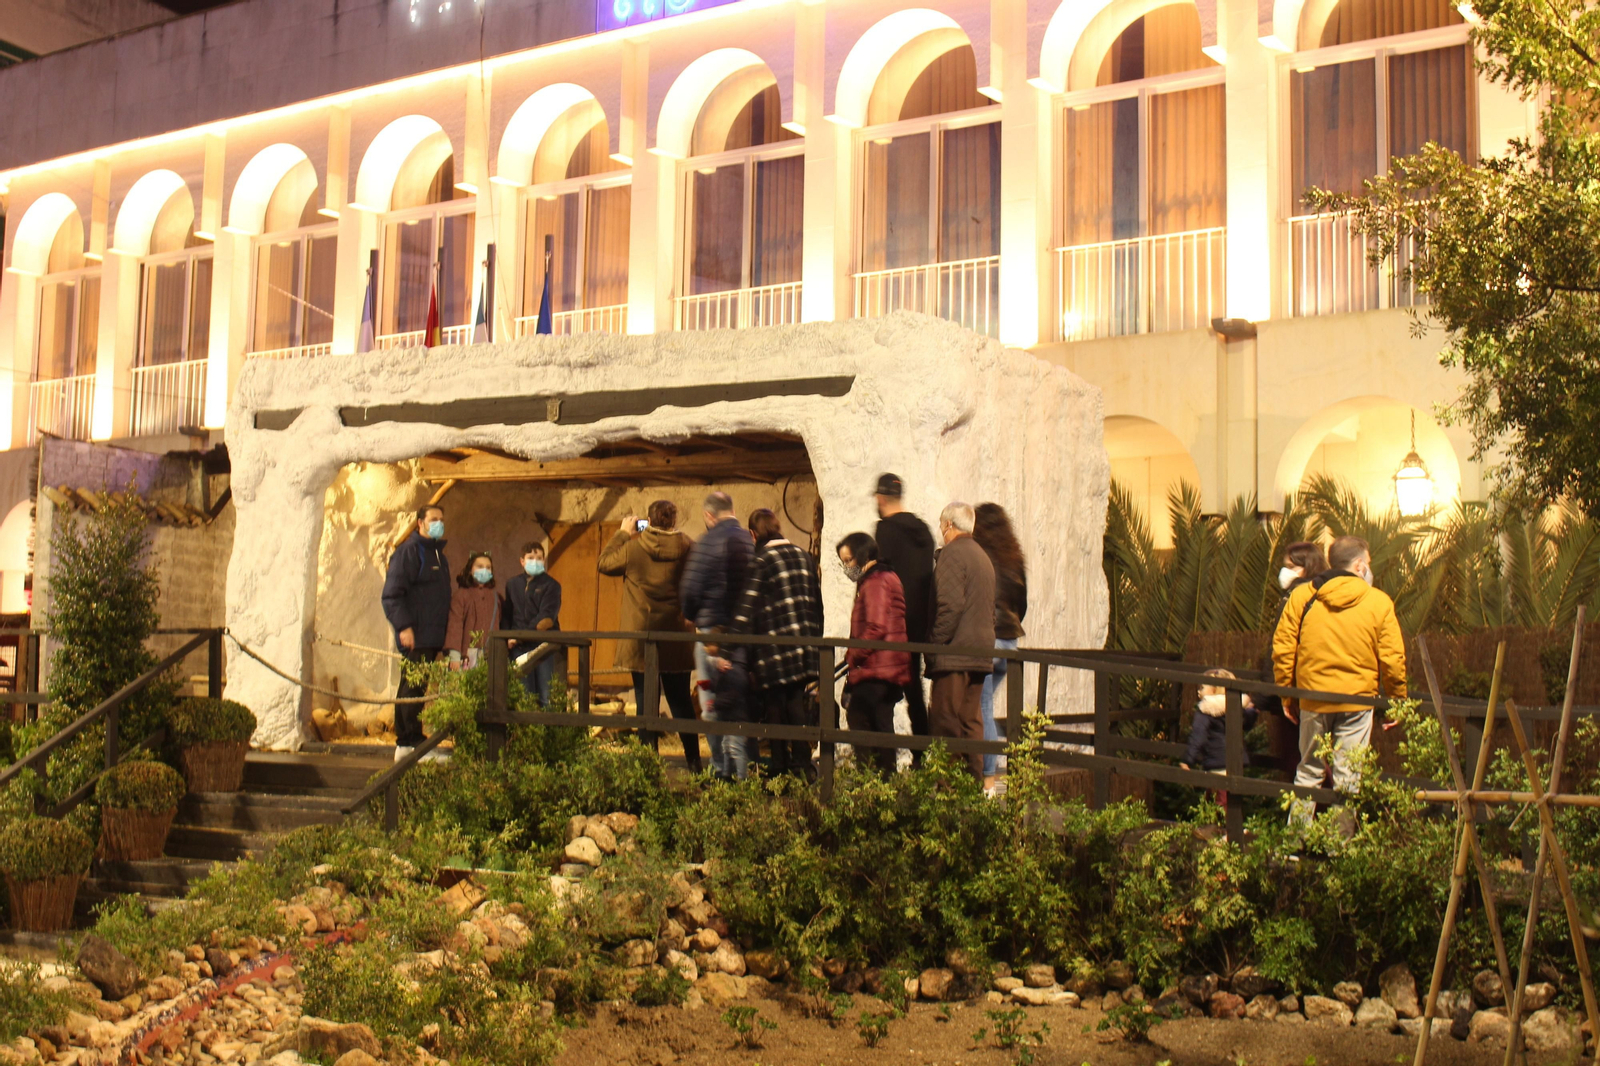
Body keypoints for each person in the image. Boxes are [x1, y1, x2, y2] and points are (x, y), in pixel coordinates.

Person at [1272, 535, 1406, 819]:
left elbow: (1283, 648)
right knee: (1349, 778)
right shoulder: (1379, 602)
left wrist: (1287, 693)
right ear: (1359, 565)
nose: (1369, 568)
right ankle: (1339, 850)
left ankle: (1294, 845)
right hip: (1357, 702)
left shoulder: (1302, 596)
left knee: (1308, 770)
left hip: (1313, 698)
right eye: (1368, 563)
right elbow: (1392, 658)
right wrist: (1397, 700)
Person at [598, 501, 702, 773]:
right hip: (676, 636)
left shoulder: (633, 548)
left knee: (646, 702)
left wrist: (622, 532)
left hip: (642, 639)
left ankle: (647, 767)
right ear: (673, 521)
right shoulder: (688, 547)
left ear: (648, 520)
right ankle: (694, 762)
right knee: (680, 701)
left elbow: (604, 563)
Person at [730, 510, 823, 779]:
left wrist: (729, 649)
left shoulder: (761, 560)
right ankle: (803, 766)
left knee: (775, 709)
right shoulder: (804, 556)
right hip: (804, 646)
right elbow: (816, 602)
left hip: (773, 650)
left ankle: (781, 767)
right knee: (796, 705)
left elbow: (747, 608)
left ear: (753, 534)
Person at [681, 491, 755, 778]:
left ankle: (721, 768)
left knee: (711, 702)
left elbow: (690, 588)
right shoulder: (749, 541)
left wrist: (692, 614)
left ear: (709, 515)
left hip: (712, 633)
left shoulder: (706, 542)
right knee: (738, 701)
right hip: (744, 634)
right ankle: (744, 768)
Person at [926, 501, 995, 781]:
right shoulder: (982, 556)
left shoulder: (952, 555)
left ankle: (949, 791)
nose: (942, 531)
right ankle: (973, 785)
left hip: (954, 653)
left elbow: (950, 606)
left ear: (949, 525)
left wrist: (933, 642)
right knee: (970, 720)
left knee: (945, 720)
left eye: (942, 526)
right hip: (980, 652)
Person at [381, 504, 451, 763]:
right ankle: (406, 743)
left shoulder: (437, 556)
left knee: (419, 689)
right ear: (420, 523)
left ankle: (414, 740)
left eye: (441, 519)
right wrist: (404, 627)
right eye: (433, 519)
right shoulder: (409, 553)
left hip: (431, 637)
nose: (439, 524)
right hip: (416, 634)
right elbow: (392, 595)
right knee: (411, 688)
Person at [873, 474, 937, 755]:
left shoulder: (885, 530)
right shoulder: (923, 529)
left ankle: (883, 761)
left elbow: (881, 578)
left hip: (894, 625)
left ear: (880, 498)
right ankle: (923, 755)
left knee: (882, 693)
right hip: (922, 624)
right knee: (915, 693)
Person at [838, 532, 910, 775]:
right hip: (885, 666)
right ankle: (882, 784)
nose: (847, 567)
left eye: (848, 560)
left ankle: (873, 783)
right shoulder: (882, 578)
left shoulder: (876, 581)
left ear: (862, 555)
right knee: (879, 725)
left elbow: (876, 626)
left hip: (877, 667)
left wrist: (853, 655)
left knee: (862, 720)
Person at [972, 503, 1027, 791]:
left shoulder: (979, 556)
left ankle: (988, 780)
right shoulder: (1014, 558)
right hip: (1010, 642)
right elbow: (1023, 602)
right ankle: (993, 772)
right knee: (987, 709)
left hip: (986, 640)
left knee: (981, 708)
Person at [1253, 541, 1328, 724]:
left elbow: (1282, 644)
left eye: (1291, 567)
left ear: (1308, 567)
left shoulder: (1295, 596)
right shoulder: (1325, 593)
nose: (1285, 572)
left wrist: (1268, 691)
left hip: (1297, 690)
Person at [502, 541, 562, 705]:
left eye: (539, 558)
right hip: (518, 648)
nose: (535, 561)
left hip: (544, 647)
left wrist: (519, 636)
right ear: (522, 561)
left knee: (546, 695)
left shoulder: (552, 585)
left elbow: (546, 618)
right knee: (524, 695)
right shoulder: (512, 584)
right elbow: (507, 614)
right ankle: (526, 730)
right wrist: (507, 637)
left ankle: (548, 730)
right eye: (530, 557)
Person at [1180, 668, 1257, 772]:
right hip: (1237, 761)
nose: (1199, 691)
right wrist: (1253, 711)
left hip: (1216, 761)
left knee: (1218, 787)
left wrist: (1187, 760)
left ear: (1214, 689)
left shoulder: (1206, 709)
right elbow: (1247, 723)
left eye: (1202, 687)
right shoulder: (1236, 706)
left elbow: (1198, 736)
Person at [444, 552, 501, 670]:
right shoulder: (461, 595)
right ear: (470, 570)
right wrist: (455, 656)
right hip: (466, 656)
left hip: (490, 656)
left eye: (488, 567)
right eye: (480, 566)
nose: (484, 570)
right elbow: (455, 625)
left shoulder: (496, 597)